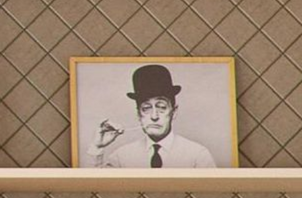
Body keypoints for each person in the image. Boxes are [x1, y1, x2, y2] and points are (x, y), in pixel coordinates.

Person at [90, 63, 218, 168]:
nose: (154, 116)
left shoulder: (198, 155)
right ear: (139, 115)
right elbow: (96, 188)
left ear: (174, 112)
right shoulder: (121, 157)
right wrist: (97, 147)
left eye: (161, 107)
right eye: (146, 108)